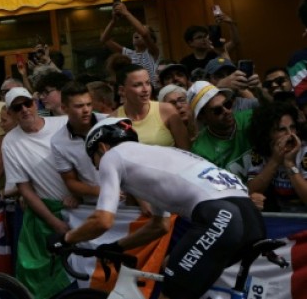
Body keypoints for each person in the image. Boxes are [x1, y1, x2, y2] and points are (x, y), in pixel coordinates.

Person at [53, 118, 266, 299]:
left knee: (173, 289)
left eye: (95, 163)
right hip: (249, 219)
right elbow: (160, 226)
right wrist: (118, 246)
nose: (99, 169)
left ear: (102, 147)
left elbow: (103, 220)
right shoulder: (154, 159)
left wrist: (65, 239)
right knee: (170, 265)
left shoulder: (112, 156)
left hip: (220, 216)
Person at [1, 87, 74, 298]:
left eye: (27, 104)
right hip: (48, 215)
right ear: (11, 113)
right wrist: (54, 222)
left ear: (35, 103)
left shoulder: (62, 123)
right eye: (17, 107)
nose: (24, 110)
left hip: (82, 207)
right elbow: (25, 189)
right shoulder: (10, 143)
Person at [240, 101, 307, 212]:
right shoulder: (260, 152)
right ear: (267, 134)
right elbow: (251, 190)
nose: (290, 134)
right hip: (278, 216)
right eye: (281, 130)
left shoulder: (304, 151)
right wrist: (275, 161)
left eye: (293, 127)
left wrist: (290, 164)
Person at [114, 64, 189, 149]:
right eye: (137, 85)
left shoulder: (167, 110)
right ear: (122, 90)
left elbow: (187, 151)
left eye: (148, 83)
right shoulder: (112, 121)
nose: (145, 89)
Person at [51, 82, 103, 205]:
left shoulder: (109, 122)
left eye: (89, 104)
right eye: (79, 106)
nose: (86, 110)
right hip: (94, 204)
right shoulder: (59, 141)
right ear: (64, 108)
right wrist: (100, 191)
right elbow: (70, 181)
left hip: (129, 201)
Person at [188, 81, 254, 170]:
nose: (226, 111)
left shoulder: (250, 118)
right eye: (217, 110)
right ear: (202, 117)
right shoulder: (200, 151)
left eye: (227, 104)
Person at [100, 0, 160, 85]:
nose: (137, 32)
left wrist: (126, 13)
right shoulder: (128, 54)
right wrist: (113, 21)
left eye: (139, 30)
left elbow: (144, 34)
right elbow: (104, 40)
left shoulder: (152, 52)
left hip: (152, 91)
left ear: (152, 40)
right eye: (135, 31)